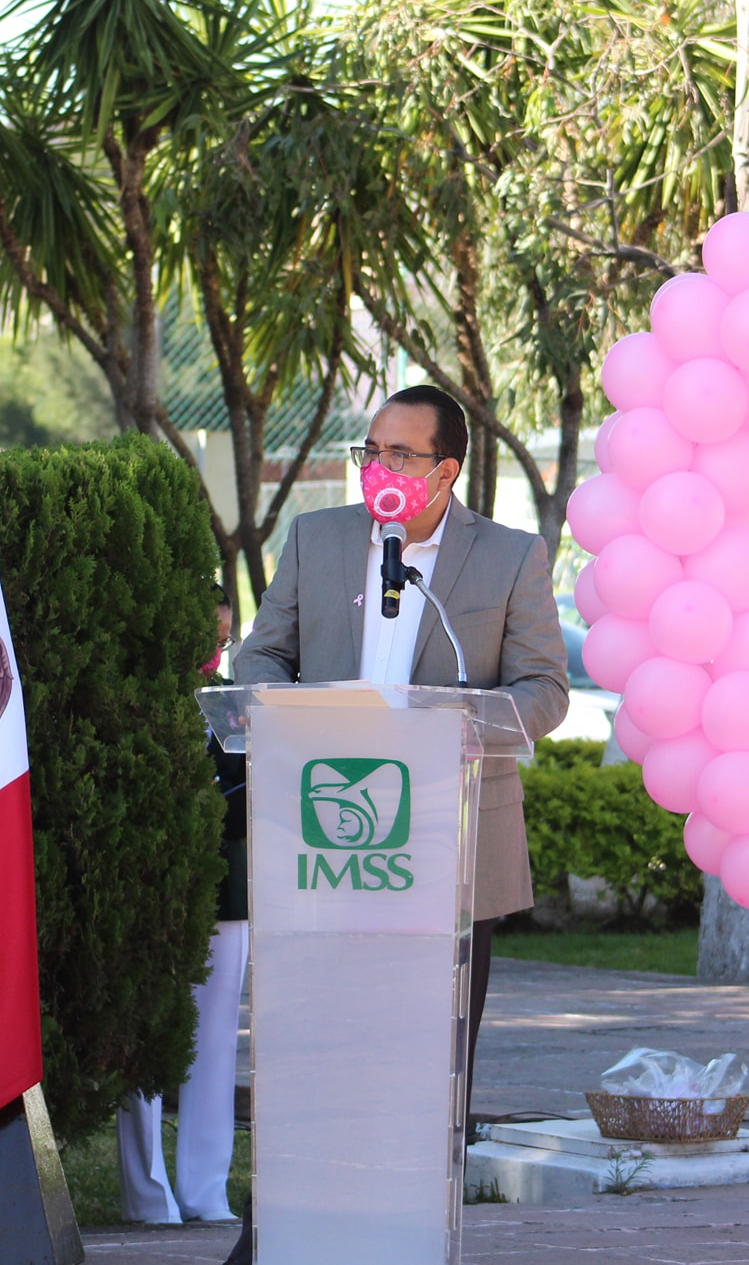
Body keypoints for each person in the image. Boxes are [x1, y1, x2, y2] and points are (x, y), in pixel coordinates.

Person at [233, 384, 569, 1118]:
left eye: (399, 454)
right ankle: (313, 1179)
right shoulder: (315, 538)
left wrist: (458, 725)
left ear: (446, 470)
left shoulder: (510, 556)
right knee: (327, 1044)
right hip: (327, 834)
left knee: (433, 1064)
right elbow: (259, 657)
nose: (377, 467)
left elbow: (545, 690)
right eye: (371, 451)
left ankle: (424, 1184)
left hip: (452, 834)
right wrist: (296, 716)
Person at [118, 589, 248, 1224]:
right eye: (207, 638)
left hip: (224, 885)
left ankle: (205, 1188)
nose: (214, 652)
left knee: (215, 1041)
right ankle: (148, 1194)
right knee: (146, 1035)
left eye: (223, 640)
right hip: (153, 879)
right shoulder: (138, 690)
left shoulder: (232, 701)